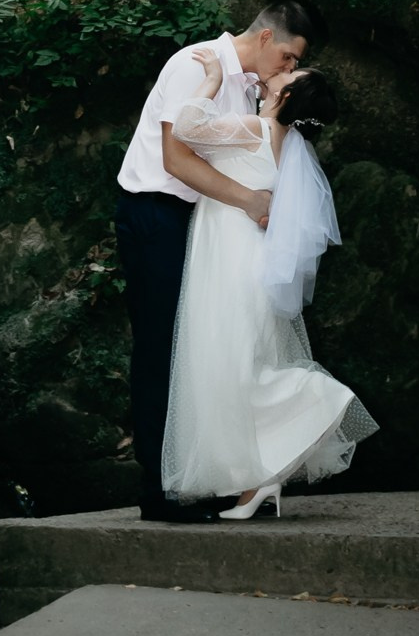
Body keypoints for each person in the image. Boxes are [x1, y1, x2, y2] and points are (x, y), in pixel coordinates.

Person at [114, 2, 311, 523]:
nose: (288, 70)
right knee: (161, 348)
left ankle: (203, 476)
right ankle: (159, 490)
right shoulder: (194, 64)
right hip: (155, 214)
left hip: (202, 226)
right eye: (288, 57)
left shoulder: (249, 87)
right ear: (266, 37)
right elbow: (176, 157)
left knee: (202, 350)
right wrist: (248, 199)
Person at [160, 56, 377, 519]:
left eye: (285, 76)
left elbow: (185, 128)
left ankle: (318, 399)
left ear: (285, 97)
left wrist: (213, 80)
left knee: (231, 365)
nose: (276, 74)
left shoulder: (253, 129)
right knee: (238, 364)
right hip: (241, 254)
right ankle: (258, 483)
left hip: (232, 258)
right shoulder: (285, 140)